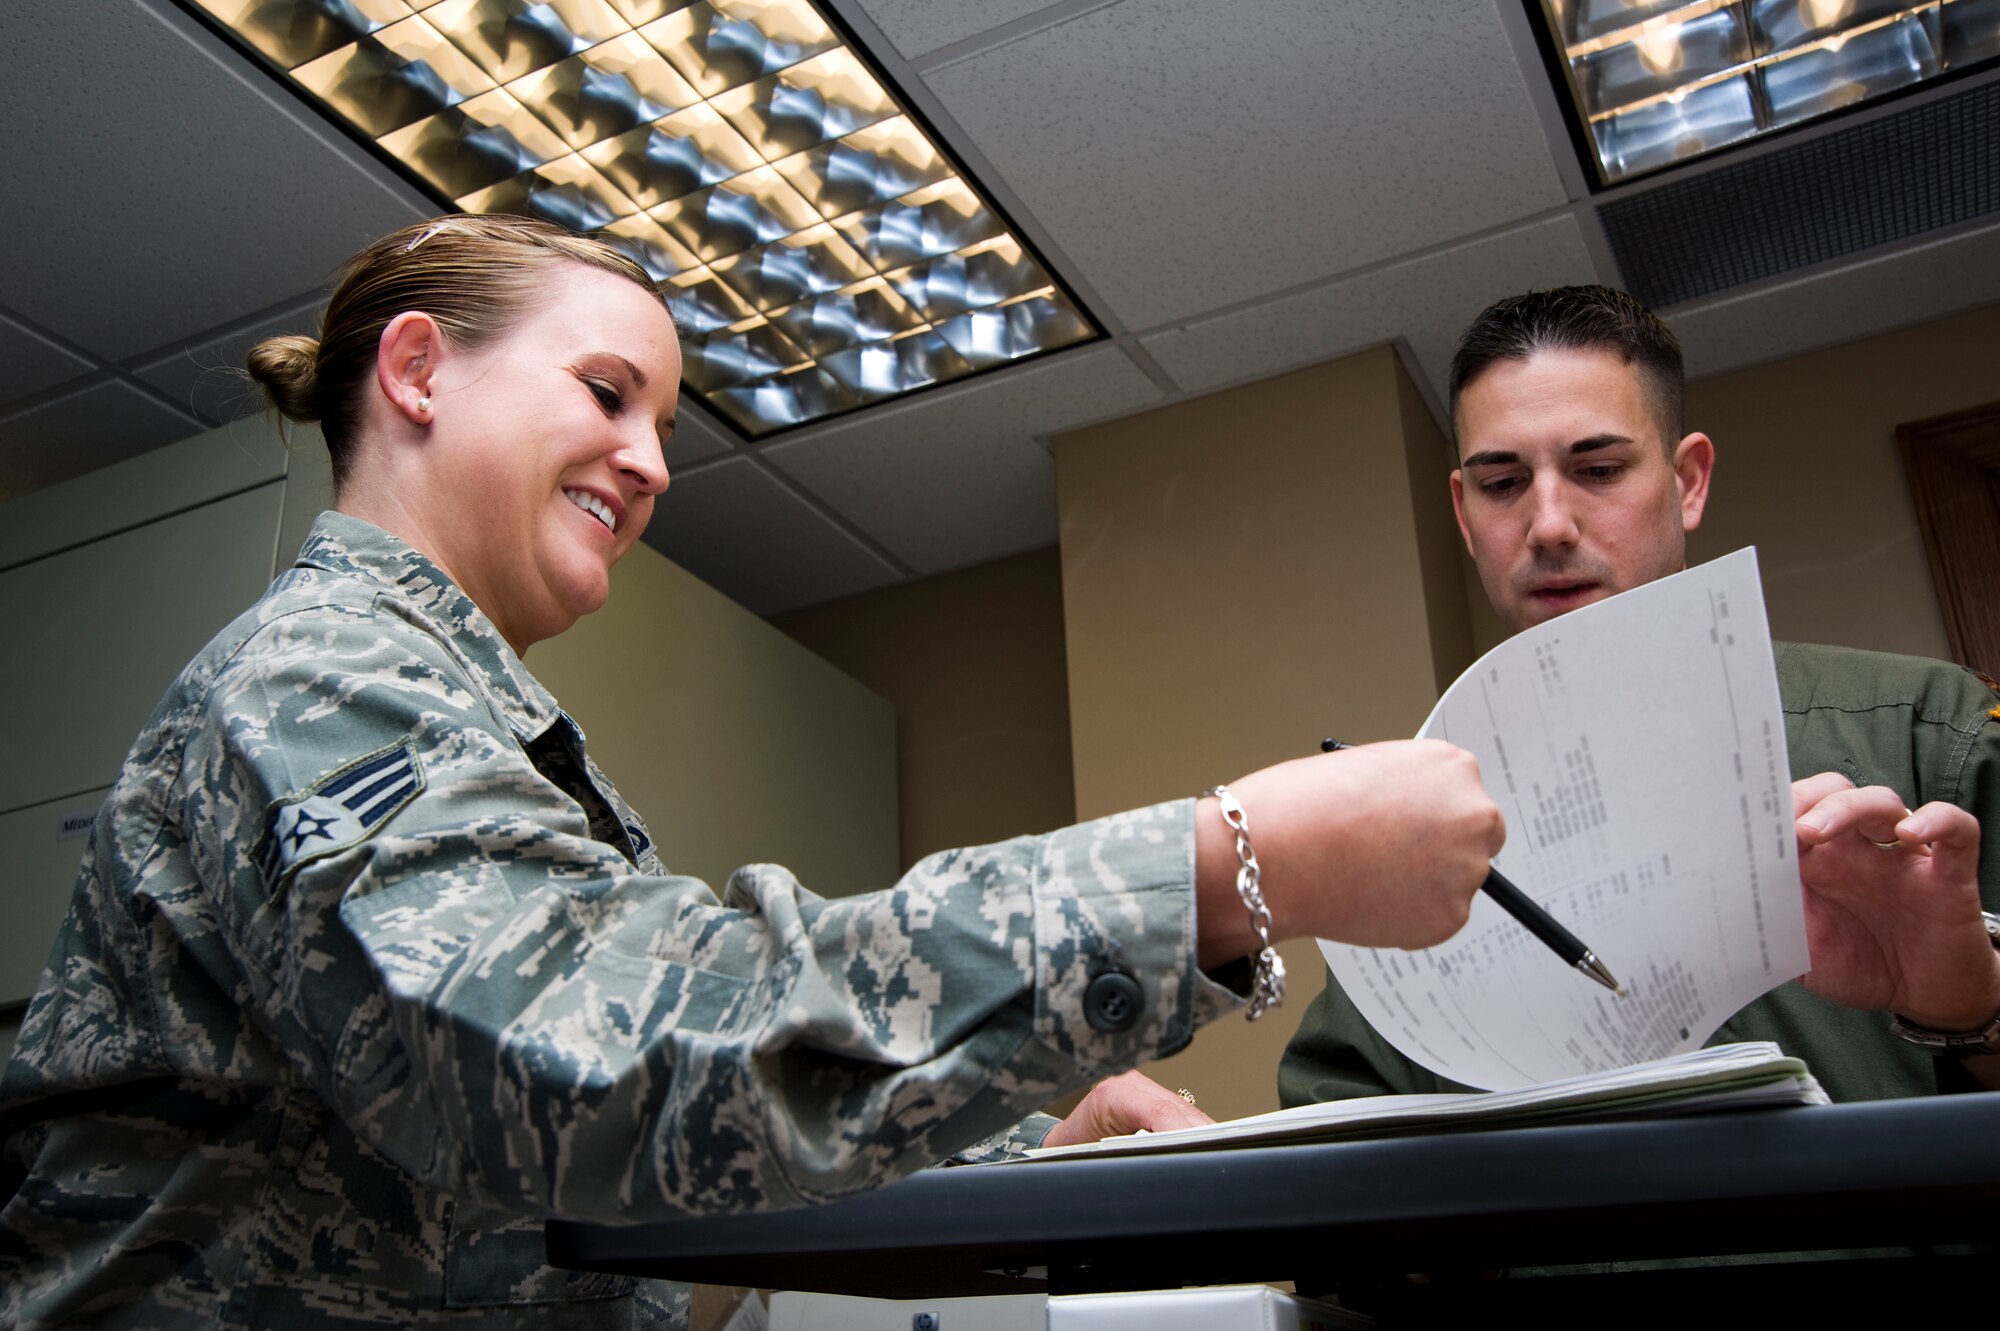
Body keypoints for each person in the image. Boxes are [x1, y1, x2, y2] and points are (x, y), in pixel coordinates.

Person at [0, 215, 1508, 1329]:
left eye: (662, 424)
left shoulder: (464, 719)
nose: (653, 462)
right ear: (416, 371)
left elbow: (653, 1161)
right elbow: (599, 1059)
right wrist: (1228, 864)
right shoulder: (318, 677)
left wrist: (1018, 1136)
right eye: (608, 392)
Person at [1280, 285, 2000, 1110]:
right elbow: (1333, 1132)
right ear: (1465, 514)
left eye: (1597, 470)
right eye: (1503, 482)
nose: (1549, 524)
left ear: (1687, 481)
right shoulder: (1414, 834)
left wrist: (1971, 1007)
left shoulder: (1923, 732)